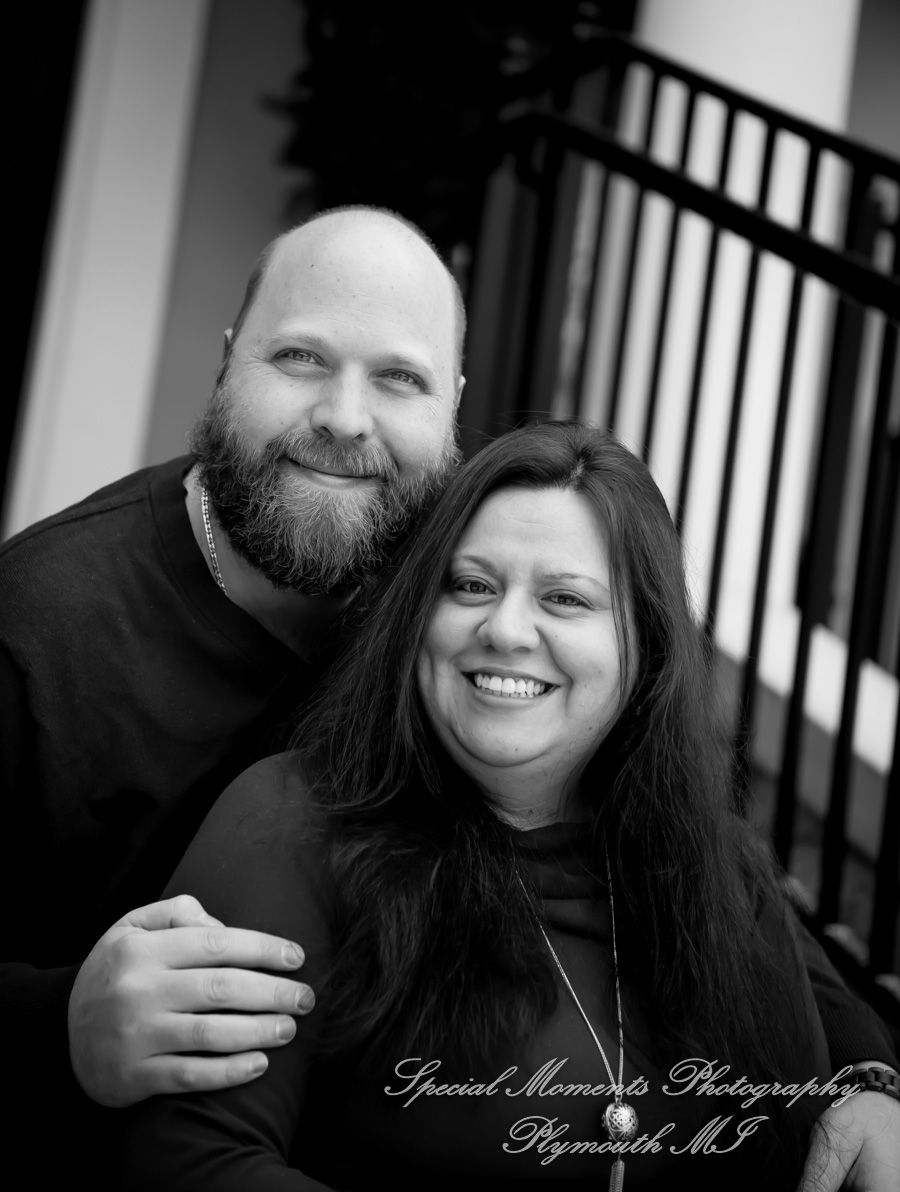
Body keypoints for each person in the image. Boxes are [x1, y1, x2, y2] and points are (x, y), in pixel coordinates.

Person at [0, 210, 895, 1187]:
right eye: (300, 357)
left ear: (452, 403)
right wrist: (58, 1023)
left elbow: (716, 881)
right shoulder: (39, 626)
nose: (346, 418)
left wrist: (864, 1071)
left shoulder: (436, 549)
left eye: (399, 377)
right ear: (227, 362)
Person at [120, 422, 897, 1190]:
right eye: (472, 586)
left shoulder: (714, 865)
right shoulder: (293, 825)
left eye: (564, 599)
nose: (506, 629)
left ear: (646, 648)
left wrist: (875, 1082)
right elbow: (189, 1157)